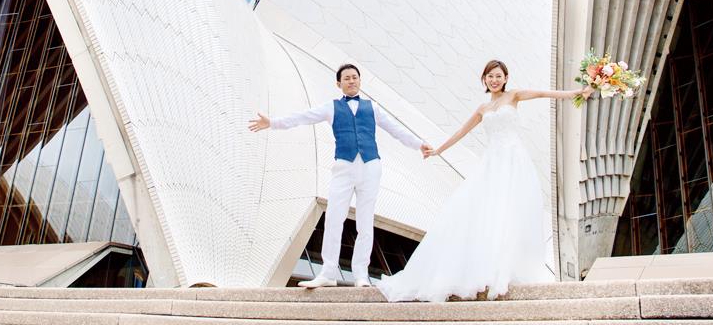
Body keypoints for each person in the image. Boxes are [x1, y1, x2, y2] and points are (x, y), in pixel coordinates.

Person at [375, 59, 591, 302]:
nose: (494, 80)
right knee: (486, 212)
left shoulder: (515, 96)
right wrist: (438, 150)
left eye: (498, 76)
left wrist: (577, 92)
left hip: (514, 160)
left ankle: (504, 269)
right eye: (490, 76)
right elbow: (460, 132)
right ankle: (485, 269)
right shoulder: (482, 109)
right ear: (484, 80)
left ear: (506, 78)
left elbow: (543, 93)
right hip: (493, 163)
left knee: (509, 213)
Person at [248, 63, 431, 287]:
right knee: (334, 218)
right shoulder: (331, 107)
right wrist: (273, 123)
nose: (351, 81)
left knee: (365, 222)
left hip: (370, 166)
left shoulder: (372, 108)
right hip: (343, 167)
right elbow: (303, 117)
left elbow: (395, 129)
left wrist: (419, 144)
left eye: (355, 77)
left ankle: (362, 275)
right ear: (339, 83)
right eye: (347, 78)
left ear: (360, 81)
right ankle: (328, 273)